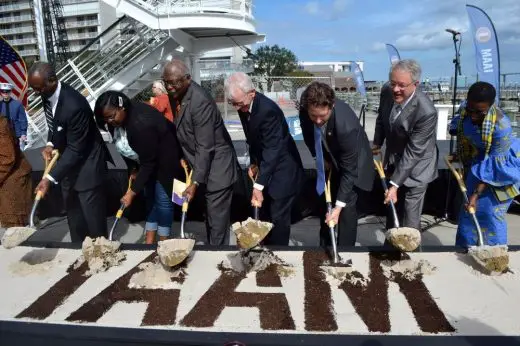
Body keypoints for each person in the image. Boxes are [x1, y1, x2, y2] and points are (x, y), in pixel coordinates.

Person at [28, 62, 110, 242]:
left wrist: (48, 179)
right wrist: (50, 143)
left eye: (38, 88)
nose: (36, 93)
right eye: (34, 88)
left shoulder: (75, 105)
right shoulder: (46, 93)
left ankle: (101, 252)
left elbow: (76, 149)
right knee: (74, 215)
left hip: (88, 163)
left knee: (92, 219)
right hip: (68, 165)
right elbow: (55, 124)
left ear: (52, 80)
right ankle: (77, 251)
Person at [162, 59, 238, 245]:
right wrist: (183, 156)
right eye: (166, 82)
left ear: (187, 79)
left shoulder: (200, 102)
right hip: (200, 165)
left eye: (174, 82)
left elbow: (205, 146)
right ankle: (213, 252)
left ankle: (217, 260)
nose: (169, 87)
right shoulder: (177, 94)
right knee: (210, 217)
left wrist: (195, 181)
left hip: (218, 169)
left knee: (217, 223)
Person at [225, 72, 304, 246]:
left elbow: (272, 150)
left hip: (283, 169)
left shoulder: (268, 111)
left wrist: (258, 185)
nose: (237, 108)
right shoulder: (244, 105)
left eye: (239, 103)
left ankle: (278, 254)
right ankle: (265, 249)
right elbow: (254, 139)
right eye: (233, 104)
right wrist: (254, 162)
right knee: (266, 214)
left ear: (251, 93)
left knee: (278, 217)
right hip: (266, 165)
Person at [94, 90, 183, 244]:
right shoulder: (117, 122)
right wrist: (134, 169)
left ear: (122, 108)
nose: (109, 121)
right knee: (150, 200)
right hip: (146, 160)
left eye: (111, 116)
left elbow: (149, 163)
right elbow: (125, 149)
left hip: (168, 160)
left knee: (164, 202)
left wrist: (132, 193)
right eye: (105, 118)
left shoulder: (141, 124)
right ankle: (149, 241)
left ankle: (164, 242)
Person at [299, 81, 374, 247]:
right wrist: (319, 157)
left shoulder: (346, 126)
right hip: (330, 155)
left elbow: (349, 172)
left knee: (346, 207)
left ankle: (345, 249)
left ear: (331, 106)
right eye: (314, 116)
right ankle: (325, 246)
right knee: (326, 203)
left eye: (323, 116)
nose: (318, 121)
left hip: (353, 164)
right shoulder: (306, 111)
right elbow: (309, 135)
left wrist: (338, 208)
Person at [449, 82, 520, 247]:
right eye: (471, 110)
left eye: (479, 112)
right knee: (468, 212)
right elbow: (462, 131)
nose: (473, 115)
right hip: (478, 163)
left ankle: (494, 254)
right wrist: (461, 153)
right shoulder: (465, 110)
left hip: (501, 170)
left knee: (490, 213)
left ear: (491, 106)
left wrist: (475, 194)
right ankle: (466, 250)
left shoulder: (501, 127)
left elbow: (494, 167)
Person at [372, 59, 438, 233]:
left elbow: (414, 152)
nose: (395, 89)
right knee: (392, 208)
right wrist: (377, 143)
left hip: (418, 166)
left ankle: (411, 254)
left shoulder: (426, 112)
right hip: (395, 158)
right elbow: (382, 117)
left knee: (410, 216)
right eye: (393, 83)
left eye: (401, 85)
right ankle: (389, 248)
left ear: (415, 84)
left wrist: (394, 185)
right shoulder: (387, 91)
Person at [0, 115, 32, 228]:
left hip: (13, 182)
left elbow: (7, 158)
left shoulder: (1, 126)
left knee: (16, 233)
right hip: (9, 181)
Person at [0, 83, 27, 148]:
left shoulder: (18, 104)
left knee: (19, 155)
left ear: (11, 92)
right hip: (4, 136)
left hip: (17, 135)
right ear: (1, 93)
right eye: (3, 92)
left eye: (7, 91)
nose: (5, 93)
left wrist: (23, 133)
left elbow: (23, 120)